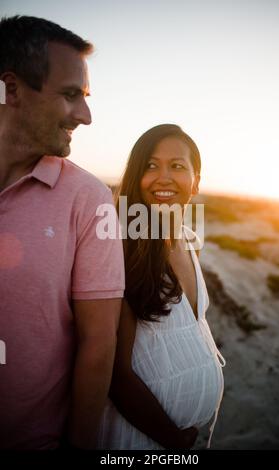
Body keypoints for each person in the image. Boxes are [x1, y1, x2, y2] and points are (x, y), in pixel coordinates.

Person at [0, 16, 125, 450]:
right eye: (71, 95)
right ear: (11, 89)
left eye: (85, 97)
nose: (86, 116)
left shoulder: (89, 199)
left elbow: (98, 346)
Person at [98, 124, 226, 450]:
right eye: (151, 166)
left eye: (178, 166)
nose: (163, 177)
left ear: (196, 181)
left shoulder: (188, 241)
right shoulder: (124, 248)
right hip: (141, 439)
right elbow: (116, 375)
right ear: (136, 176)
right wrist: (174, 440)